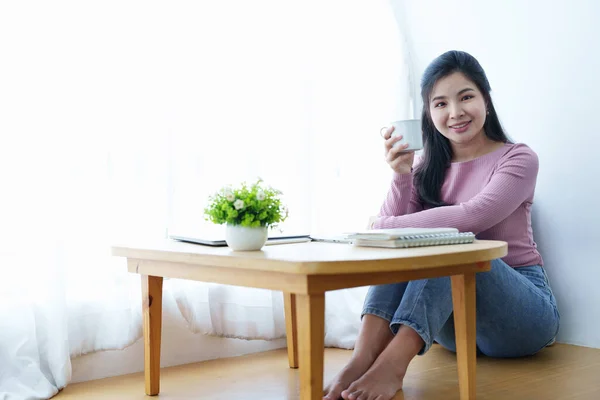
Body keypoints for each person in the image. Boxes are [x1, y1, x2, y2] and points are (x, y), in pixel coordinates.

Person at [323, 50, 560, 400]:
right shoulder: (428, 168)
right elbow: (388, 241)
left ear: (486, 100)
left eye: (466, 97)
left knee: (450, 245)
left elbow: (472, 218)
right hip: (449, 324)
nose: (455, 113)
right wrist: (402, 175)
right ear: (428, 113)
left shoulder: (518, 158)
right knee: (409, 251)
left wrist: (388, 224)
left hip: (523, 317)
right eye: (440, 104)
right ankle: (361, 359)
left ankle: (392, 366)